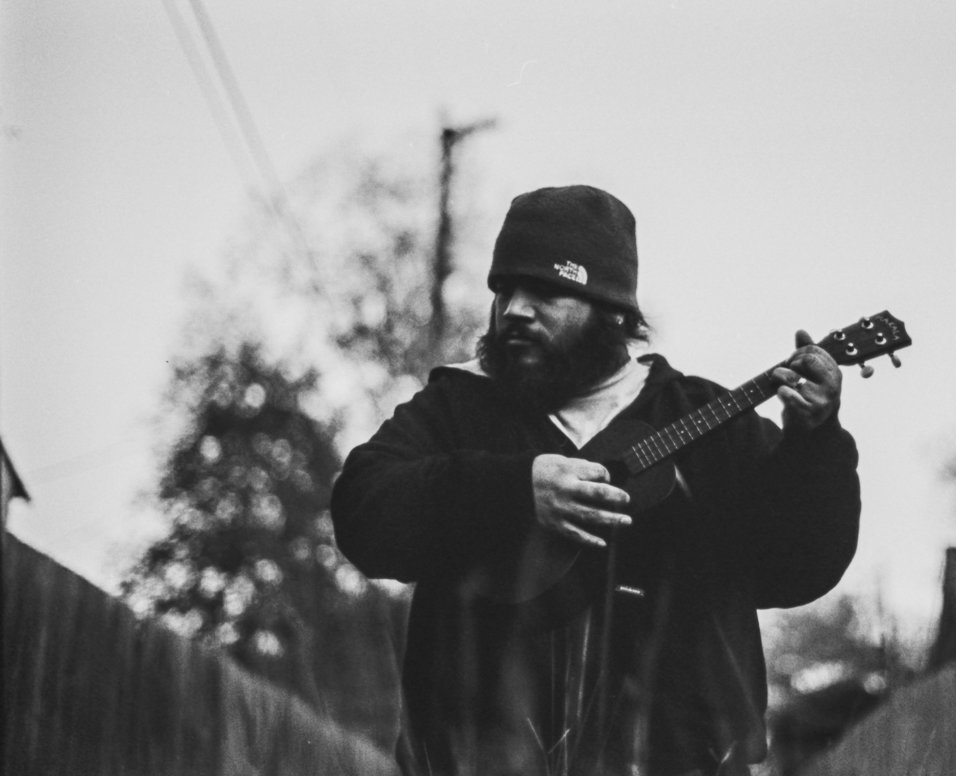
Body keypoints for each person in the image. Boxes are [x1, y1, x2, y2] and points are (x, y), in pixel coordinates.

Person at [331, 185, 861, 776]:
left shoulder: (703, 416)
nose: (514, 311)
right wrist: (512, 491)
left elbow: (801, 564)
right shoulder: (456, 408)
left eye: (546, 291)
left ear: (612, 308)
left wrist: (814, 444)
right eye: (504, 289)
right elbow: (362, 511)